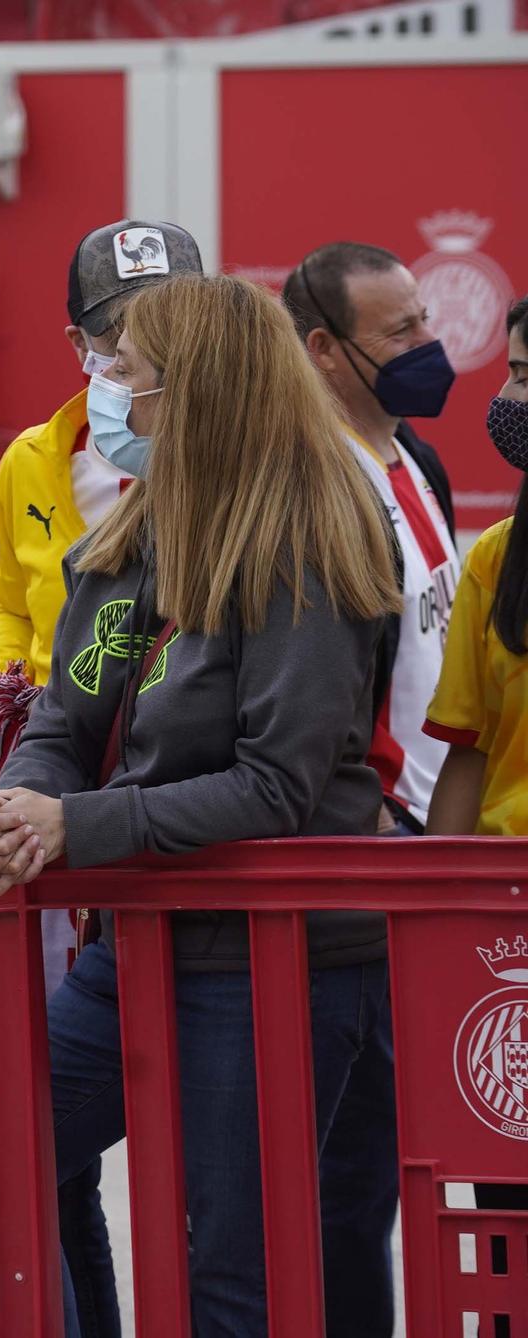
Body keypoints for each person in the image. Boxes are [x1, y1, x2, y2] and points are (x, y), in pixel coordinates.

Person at [0, 273, 404, 1336]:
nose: (102, 392)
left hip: (273, 961)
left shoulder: (305, 544)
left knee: (232, 1270)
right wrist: (21, 800)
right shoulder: (137, 529)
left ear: (191, 393)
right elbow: (63, 716)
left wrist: (78, 827)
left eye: (122, 373)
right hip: (139, 938)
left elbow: (276, 785)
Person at [0, 218, 205, 1338]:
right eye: (118, 335)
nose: (143, 355)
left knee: (199, 1165)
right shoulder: (33, 461)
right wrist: (1, 679)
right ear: (77, 343)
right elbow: (17, 597)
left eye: (170, 327)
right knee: (39, 1146)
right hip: (55, 796)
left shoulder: (242, 465)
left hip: (167, 812)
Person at [282, 242, 460, 834]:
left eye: (422, 320)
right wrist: (373, 818)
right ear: (324, 350)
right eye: (400, 331)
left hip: (448, 808)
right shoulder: (314, 490)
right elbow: (311, 685)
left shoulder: (417, 455)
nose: (427, 345)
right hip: (391, 821)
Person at [424, 293, 528, 1290]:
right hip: (508, 930)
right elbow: (462, 754)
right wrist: (428, 922)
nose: (507, 399)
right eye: (512, 373)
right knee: (506, 1207)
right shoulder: (493, 565)